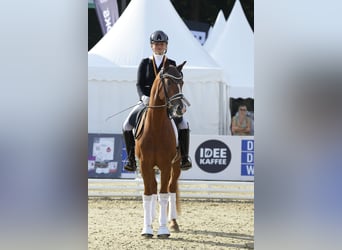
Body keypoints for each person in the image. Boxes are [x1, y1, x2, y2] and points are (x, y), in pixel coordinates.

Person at [122, 30, 192, 172]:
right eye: (156, 44)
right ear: (151, 46)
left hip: (167, 103)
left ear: (166, 46)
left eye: (162, 44)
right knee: (126, 126)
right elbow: (139, 84)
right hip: (146, 101)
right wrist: (143, 97)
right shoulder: (145, 63)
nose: (159, 46)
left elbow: (176, 81)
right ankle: (131, 159)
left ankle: (184, 158)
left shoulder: (171, 63)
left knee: (183, 124)